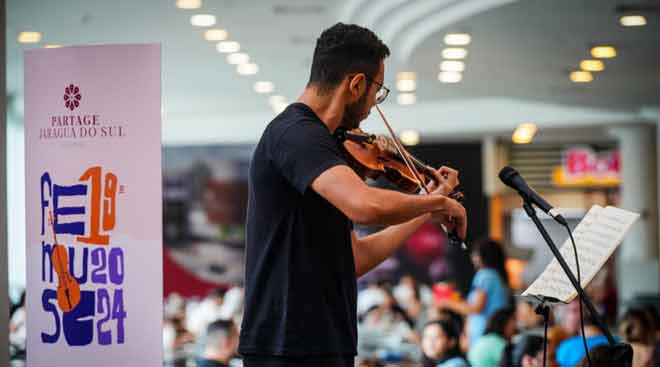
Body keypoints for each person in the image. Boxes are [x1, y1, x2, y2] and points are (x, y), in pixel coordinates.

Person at [238, 22, 467, 367]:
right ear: (357, 84)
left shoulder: (325, 147)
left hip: (322, 341)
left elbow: (354, 258)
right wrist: (440, 200)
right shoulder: (296, 134)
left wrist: (424, 212)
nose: (374, 105)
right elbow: (364, 205)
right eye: (378, 91)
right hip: (285, 346)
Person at [435, 239, 511, 346]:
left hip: (482, 335)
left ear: (483, 256)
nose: (473, 257)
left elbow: (475, 308)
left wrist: (445, 302)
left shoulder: (485, 275)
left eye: (475, 253)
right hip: (492, 335)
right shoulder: (497, 276)